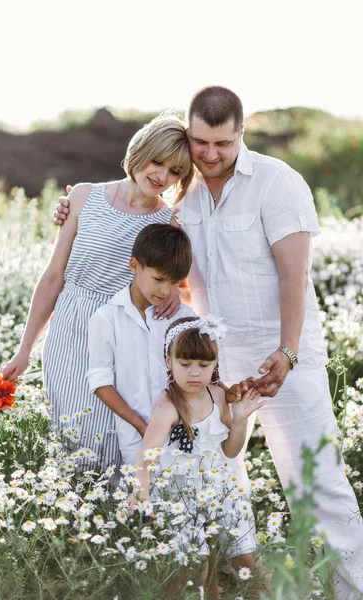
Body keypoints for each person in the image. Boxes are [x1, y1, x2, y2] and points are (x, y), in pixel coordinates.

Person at [54, 86, 363, 598]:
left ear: (241, 133)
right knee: (222, 486)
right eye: (200, 143)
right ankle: (243, 586)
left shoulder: (277, 183)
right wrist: (71, 209)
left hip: (284, 356)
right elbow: (134, 223)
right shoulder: (186, 194)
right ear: (190, 136)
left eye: (223, 142)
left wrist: (286, 353)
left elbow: (294, 275)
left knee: (315, 483)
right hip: (212, 366)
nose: (211, 154)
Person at [2, 114, 194, 468]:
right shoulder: (83, 196)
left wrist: (173, 295)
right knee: (68, 431)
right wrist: (24, 350)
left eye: (175, 171)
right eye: (157, 161)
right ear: (140, 151)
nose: (161, 176)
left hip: (123, 334)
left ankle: (115, 516)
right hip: (69, 330)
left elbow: (182, 289)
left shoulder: (169, 222)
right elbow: (53, 278)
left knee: (113, 438)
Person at [126, 316, 269, 598]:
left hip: (220, 488)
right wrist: (140, 493)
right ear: (169, 361)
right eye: (185, 364)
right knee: (194, 571)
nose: (194, 373)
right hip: (183, 497)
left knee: (247, 561)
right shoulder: (169, 404)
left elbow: (229, 450)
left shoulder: (217, 395)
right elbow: (146, 457)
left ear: (215, 364)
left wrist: (239, 420)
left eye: (204, 365)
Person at [87, 223, 195, 465]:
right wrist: (140, 425)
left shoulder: (184, 319)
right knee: (142, 497)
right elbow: (100, 381)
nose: (166, 291)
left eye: (175, 283)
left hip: (183, 435)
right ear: (134, 265)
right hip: (137, 436)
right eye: (158, 279)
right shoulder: (107, 318)